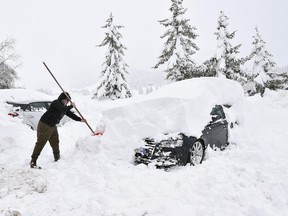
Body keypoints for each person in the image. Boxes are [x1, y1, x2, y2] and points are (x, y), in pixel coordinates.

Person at [30, 92, 86, 168]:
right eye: (67, 100)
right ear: (63, 99)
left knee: (55, 142)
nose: (67, 102)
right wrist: (71, 106)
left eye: (68, 101)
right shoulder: (56, 103)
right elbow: (61, 109)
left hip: (53, 126)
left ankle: (57, 159)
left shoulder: (64, 107)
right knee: (41, 143)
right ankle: (33, 161)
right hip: (45, 124)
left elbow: (71, 115)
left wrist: (80, 119)